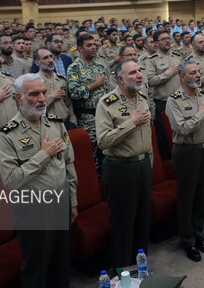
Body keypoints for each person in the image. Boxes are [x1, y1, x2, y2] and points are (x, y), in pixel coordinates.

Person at [0, 74, 77, 288]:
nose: (42, 98)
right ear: (19, 98)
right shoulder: (7, 135)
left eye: (43, 92)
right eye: (34, 94)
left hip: (60, 201)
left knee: (61, 264)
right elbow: (11, 181)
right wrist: (43, 155)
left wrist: (73, 200)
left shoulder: (56, 124)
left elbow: (69, 163)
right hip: (32, 208)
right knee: (36, 269)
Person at [96, 59, 152, 269]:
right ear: (120, 78)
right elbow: (103, 142)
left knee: (143, 220)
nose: (139, 75)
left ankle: (141, 266)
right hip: (121, 167)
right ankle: (121, 271)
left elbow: (147, 136)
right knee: (123, 223)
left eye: (139, 71)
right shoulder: (107, 103)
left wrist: (150, 163)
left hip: (143, 165)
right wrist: (131, 122)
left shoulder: (142, 98)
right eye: (132, 73)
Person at [165, 61, 204, 262]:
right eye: (192, 72)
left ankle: (199, 236)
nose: (197, 75)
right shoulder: (174, 100)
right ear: (182, 77)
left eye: (198, 71)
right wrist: (200, 114)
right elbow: (182, 128)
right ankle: (188, 241)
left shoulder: (202, 94)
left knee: (201, 197)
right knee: (187, 199)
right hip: (186, 152)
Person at [67, 34, 110, 176]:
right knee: (91, 154)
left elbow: (107, 90)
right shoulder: (74, 69)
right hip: (88, 117)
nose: (94, 47)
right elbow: (74, 93)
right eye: (89, 45)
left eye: (94, 44)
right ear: (80, 48)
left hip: (105, 115)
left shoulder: (100, 66)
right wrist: (93, 86)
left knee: (107, 149)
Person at [146, 29, 182, 160]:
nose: (167, 41)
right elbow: (151, 81)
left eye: (168, 38)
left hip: (179, 101)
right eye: (163, 39)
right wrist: (169, 73)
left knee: (180, 133)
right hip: (163, 104)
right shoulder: (151, 60)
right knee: (165, 137)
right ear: (155, 43)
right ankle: (168, 164)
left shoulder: (177, 57)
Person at [34, 48, 77, 130]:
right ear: (37, 62)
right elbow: (33, 108)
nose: (50, 60)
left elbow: (69, 104)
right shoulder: (34, 82)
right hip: (47, 126)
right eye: (45, 58)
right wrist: (51, 97)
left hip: (65, 124)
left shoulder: (61, 80)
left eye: (51, 57)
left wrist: (73, 122)